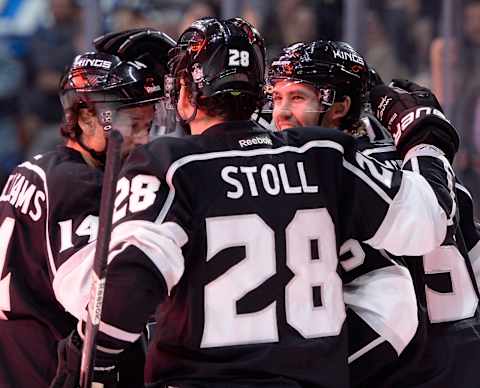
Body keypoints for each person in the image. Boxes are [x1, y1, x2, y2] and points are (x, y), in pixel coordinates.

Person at [52, 17, 459, 388]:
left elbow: (131, 279)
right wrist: (424, 135)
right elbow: (429, 219)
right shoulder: (324, 154)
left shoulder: (171, 164)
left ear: (189, 92)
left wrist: (92, 354)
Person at [267, 39, 480, 387]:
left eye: (297, 97)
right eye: (277, 98)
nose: (280, 114)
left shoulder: (330, 182)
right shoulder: (430, 172)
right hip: (464, 359)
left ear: (341, 106)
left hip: (399, 371)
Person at [0, 28, 175, 388]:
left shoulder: (33, 168)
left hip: (15, 359)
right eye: (131, 126)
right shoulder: (80, 186)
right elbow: (97, 305)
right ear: (84, 119)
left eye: (147, 125)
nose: (142, 139)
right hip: (48, 370)